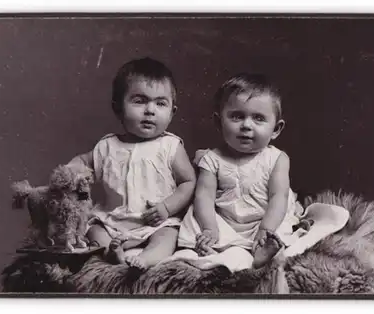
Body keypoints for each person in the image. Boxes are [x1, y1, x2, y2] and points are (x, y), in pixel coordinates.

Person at [70, 57, 196, 270]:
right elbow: (82, 161)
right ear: (118, 108)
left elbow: (188, 181)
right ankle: (112, 251)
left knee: (169, 236)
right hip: (113, 222)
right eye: (139, 101)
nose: (150, 110)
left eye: (160, 103)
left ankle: (145, 259)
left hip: (155, 223)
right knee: (93, 231)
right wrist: (70, 171)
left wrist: (166, 208)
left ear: (172, 111)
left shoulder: (170, 146)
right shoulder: (107, 146)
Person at [177, 73, 308, 268]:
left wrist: (266, 228)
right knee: (197, 222)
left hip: (265, 217)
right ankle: (215, 251)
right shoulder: (212, 159)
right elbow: (204, 196)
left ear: (276, 129)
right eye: (237, 116)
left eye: (258, 118)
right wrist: (209, 228)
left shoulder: (277, 159)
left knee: (279, 227)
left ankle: (263, 250)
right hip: (225, 218)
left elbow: (278, 197)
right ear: (218, 122)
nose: (246, 125)